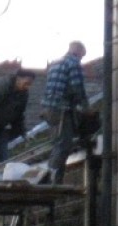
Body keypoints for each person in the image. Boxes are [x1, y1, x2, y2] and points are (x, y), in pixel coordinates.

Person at [42, 41, 90, 184]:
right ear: (79, 52)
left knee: (57, 143)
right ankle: (53, 179)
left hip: (48, 109)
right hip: (61, 109)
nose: (81, 60)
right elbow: (77, 87)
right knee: (64, 144)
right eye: (82, 56)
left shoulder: (55, 64)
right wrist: (86, 107)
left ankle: (52, 176)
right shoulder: (73, 63)